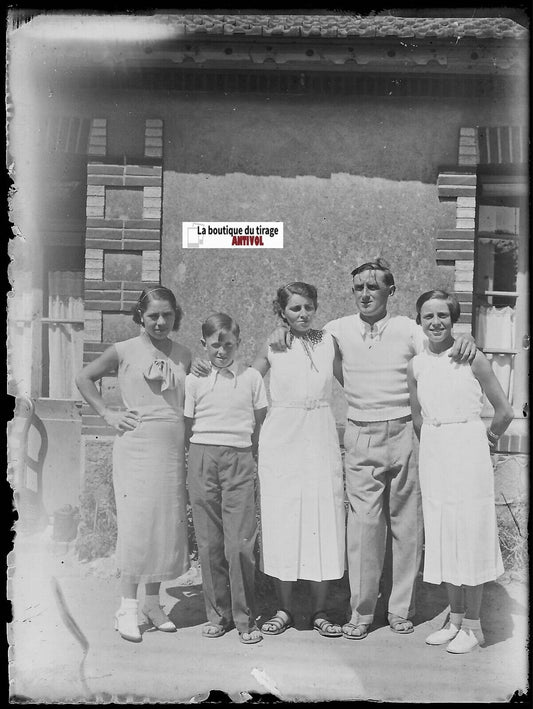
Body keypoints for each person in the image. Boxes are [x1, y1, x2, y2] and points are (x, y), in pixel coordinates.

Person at [268, 258, 477, 640]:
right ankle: (361, 612)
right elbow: (303, 344)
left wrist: (467, 339)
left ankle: (400, 610)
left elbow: (440, 347)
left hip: (403, 432)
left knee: (406, 527)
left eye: (374, 287)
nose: (365, 294)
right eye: (359, 288)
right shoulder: (335, 330)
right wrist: (278, 333)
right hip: (360, 431)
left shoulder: (408, 329)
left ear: (390, 292)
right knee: (363, 528)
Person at [75, 286, 191, 643]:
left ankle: (153, 604)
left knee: (164, 525)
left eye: (166, 315)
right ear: (140, 315)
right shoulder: (123, 350)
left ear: (175, 316)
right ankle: (126, 607)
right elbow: (83, 378)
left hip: (171, 448)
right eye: (153, 314)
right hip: (136, 446)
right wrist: (108, 414)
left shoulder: (185, 354)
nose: (160, 321)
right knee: (137, 525)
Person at [407, 290, 513, 653]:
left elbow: (504, 411)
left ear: (454, 320)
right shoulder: (416, 365)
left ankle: (474, 626)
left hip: (468, 448)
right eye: (428, 316)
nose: (436, 322)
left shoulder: (472, 358)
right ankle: (454, 620)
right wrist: (436, 444)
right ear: (419, 321)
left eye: (443, 316)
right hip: (435, 452)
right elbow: (418, 417)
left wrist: (487, 441)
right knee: (442, 533)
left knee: (469, 535)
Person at [252, 283, 346, 638]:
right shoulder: (273, 344)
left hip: (319, 432)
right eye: (295, 309)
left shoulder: (328, 341)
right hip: (283, 436)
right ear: (282, 313)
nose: (303, 314)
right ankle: (284, 608)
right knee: (284, 519)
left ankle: (320, 610)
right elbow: (247, 381)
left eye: (308, 307)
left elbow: (350, 381)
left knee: (324, 516)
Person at [184, 313, 268, 645]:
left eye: (228, 344)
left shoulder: (250, 378)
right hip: (202, 456)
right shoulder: (195, 380)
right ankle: (218, 615)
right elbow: (188, 424)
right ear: (204, 345)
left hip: (239, 457)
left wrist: (249, 455)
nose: (222, 351)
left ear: (238, 344)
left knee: (240, 544)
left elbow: (260, 420)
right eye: (215, 344)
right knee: (208, 542)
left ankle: (244, 617)